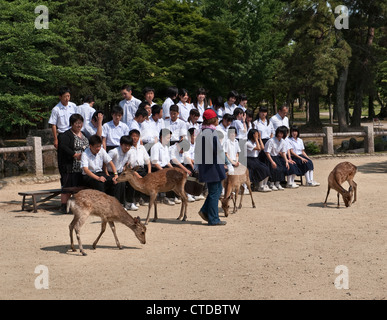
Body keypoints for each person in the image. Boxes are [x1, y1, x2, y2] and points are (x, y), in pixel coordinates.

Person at [194, 108, 227, 226]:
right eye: (217, 118)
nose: (218, 120)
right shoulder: (211, 133)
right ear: (212, 120)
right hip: (213, 166)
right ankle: (213, 219)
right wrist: (226, 162)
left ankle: (204, 211)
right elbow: (217, 150)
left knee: (216, 191)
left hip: (208, 166)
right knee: (214, 192)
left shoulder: (202, 132)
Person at [57, 113, 89, 212]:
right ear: (72, 124)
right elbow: (63, 146)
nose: (79, 125)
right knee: (67, 186)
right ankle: (63, 206)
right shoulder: (65, 135)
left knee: (79, 186)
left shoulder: (84, 134)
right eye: (76, 123)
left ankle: (76, 205)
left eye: (80, 123)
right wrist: (74, 155)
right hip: (69, 165)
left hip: (82, 166)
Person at [150, 128, 177, 205]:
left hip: (164, 167)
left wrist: (173, 169)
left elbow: (167, 162)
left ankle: (172, 196)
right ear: (162, 137)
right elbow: (155, 162)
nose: (169, 140)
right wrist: (163, 171)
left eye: (170, 138)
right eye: (168, 138)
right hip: (156, 169)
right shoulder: (156, 146)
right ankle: (166, 197)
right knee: (169, 176)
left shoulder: (166, 147)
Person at [127, 129, 152, 208]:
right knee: (133, 180)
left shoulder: (142, 147)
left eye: (136, 136)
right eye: (133, 136)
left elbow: (148, 161)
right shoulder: (128, 148)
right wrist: (134, 173)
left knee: (148, 179)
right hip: (131, 170)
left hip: (141, 169)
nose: (134, 138)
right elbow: (127, 164)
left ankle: (143, 198)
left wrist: (149, 172)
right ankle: (132, 200)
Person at [106, 135, 133, 206]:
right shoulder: (114, 152)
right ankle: (117, 204)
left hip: (120, 173)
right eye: (125, 145)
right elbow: (104, 163)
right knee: (119, 183)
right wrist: (107, 175)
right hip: (110, 173)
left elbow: (127, 164)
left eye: (129, 146)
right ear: (121, 144)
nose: (127, 148)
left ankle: (127, 203)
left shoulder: (129, 152)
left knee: (130, 181)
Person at [264, 126, 289, 191]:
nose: (280, 134)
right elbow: (267, 152)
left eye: (282, 133)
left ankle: (277, 183)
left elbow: (283, 152)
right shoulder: (271, 141)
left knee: (281, 168)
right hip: (269, 157)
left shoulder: (283, 141)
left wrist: (286, 161)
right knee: (274, 168)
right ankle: (272, 184)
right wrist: (272, 162)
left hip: (276, 157)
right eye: (279, 133)